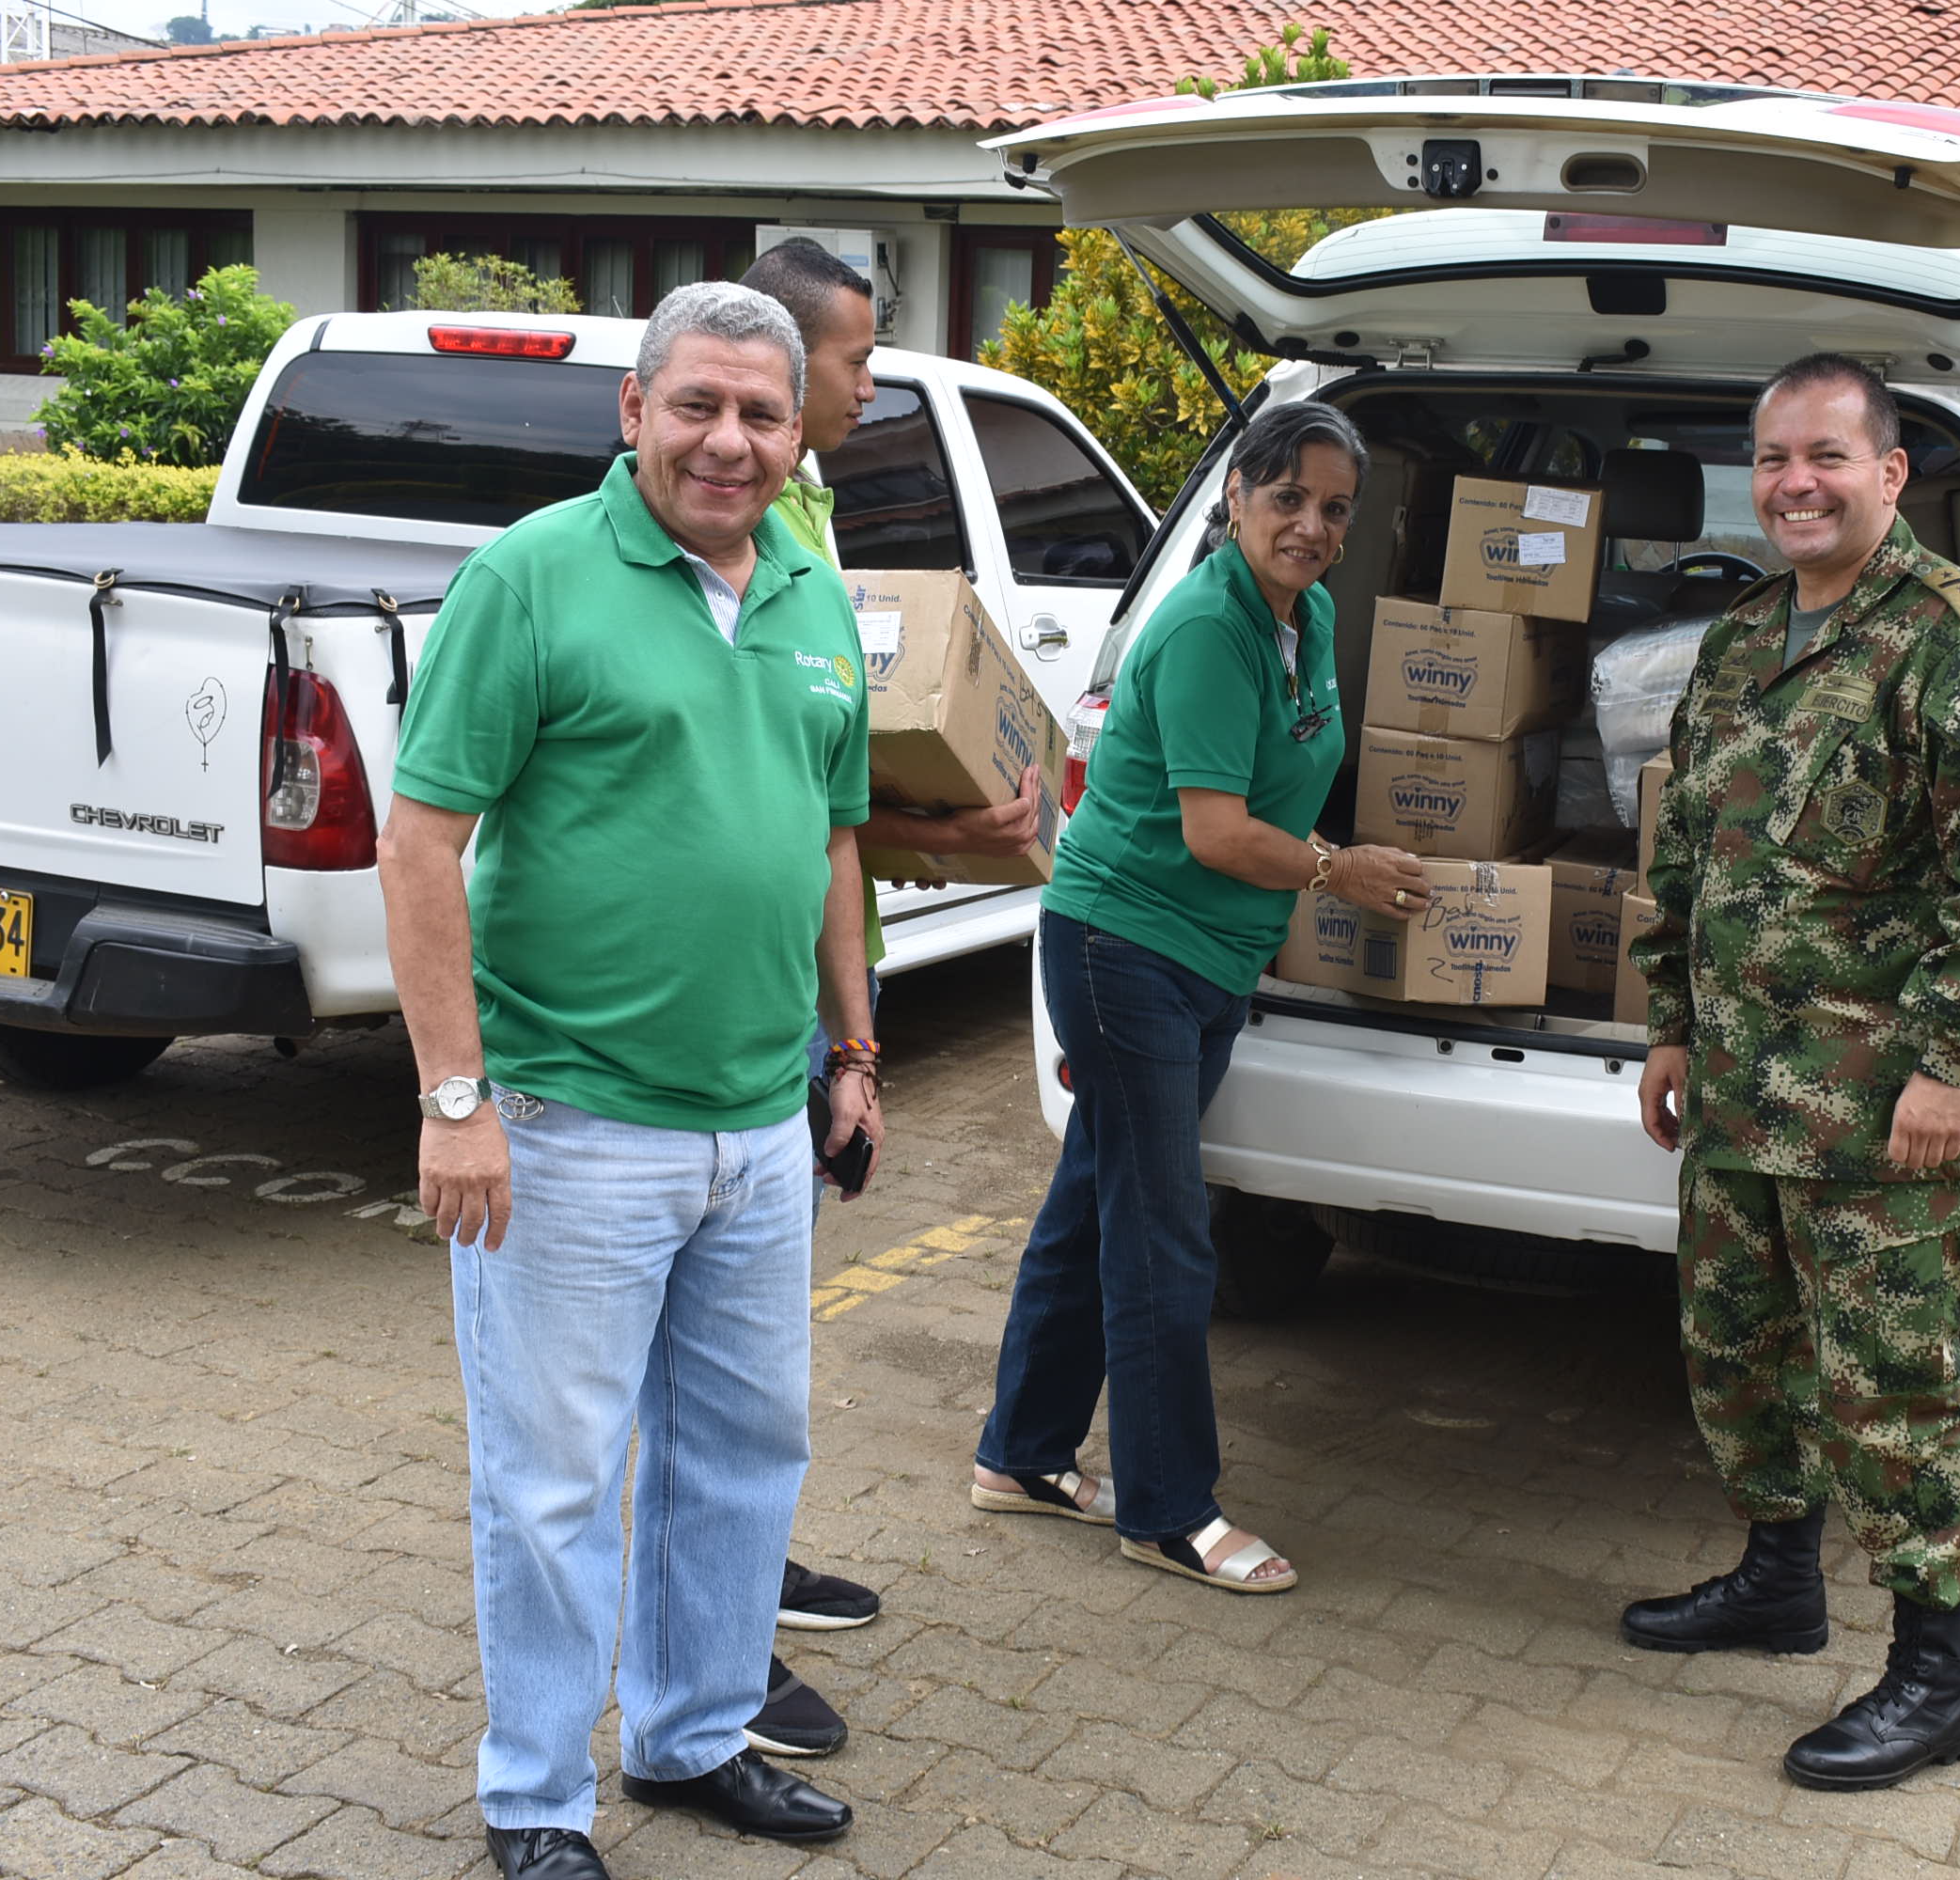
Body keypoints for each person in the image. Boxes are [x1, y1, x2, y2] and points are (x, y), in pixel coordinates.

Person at [380, 281, 875, 1880]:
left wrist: (853, 1052)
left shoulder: (808, 590)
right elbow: (421, 841)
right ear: (634, 413)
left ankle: (687, 1739)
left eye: (761, 414)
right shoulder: (530, 578)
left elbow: (827, 843)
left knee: (745, 1459)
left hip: (755, 1125)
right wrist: (453, 1099)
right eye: (697, 406)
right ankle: (535, 1796)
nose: (727, 442)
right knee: (552, 1488)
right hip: (566, 1120)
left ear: (797, 439)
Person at [1624, 352, 1960, 1791]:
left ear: (1890, 473)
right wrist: (1672, 1023)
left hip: (1886, 1112)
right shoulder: (1743, 640)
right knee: (1737, 1356)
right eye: (1770, 460)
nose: (1794, 484)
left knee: (1893, 1387)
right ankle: (1776, 1581)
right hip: (1748, 1093)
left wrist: (1950, 1066)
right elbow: (1688, 852)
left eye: (1825, 456)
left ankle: (1933, 1676)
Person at [970, 400, 1430, 1594]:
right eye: (1287, 499)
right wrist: (1338, 869)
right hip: (1124, 950)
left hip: (1209, 959)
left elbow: (1281, 778)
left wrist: (1316, 865)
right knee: (1165, 1235)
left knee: (1091, 1203)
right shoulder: (1201, 630)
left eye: (1335, 507)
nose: (1313, 526)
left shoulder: (1309, 614)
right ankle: (1169, 1507)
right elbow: (1218, 830)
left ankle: (1020, 1455)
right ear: (1234, 499)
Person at [725, 232, 1044, 1764]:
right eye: (856, 358)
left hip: (797, 989)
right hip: (717, 1013)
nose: (872, 379)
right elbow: (788, 802)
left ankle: (739, 1573)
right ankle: (706, 1633)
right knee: (714, 1345)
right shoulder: (750, 543)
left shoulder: (807, 517)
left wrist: (854, 1037)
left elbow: (828, 803)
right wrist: (939, 836)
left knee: (756, 1335)